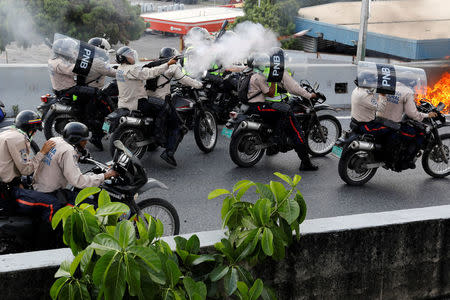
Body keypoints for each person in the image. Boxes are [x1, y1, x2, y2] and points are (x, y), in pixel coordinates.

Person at [246, 53, 318, 171]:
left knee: (275, 124)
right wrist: (309, 95)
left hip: (264, 106)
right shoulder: (279, 72)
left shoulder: (259, 70)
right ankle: (306, 163)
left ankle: (272, 148)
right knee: (297, 133)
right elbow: (294, 88)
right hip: (278, 105)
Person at [32, 122, 117, 202]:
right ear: (76, 140)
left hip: (38, 185)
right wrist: (105, 175)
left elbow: (58, 156)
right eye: (84, 140)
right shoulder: (68, 151)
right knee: (90, 203)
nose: (86, 142)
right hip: (49, 193)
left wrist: (77, 157)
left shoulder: (55, 140)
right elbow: (79, 181)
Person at [147, 47, 203, 166]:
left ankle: (153, 143)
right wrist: (198, 84)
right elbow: (183, 79)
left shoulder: (152, 64)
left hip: (147, 99)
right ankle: (169, 153)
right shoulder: (172, 66)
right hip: (161, 101)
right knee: (180, 126)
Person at [0, 110, 56, 219]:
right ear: (30, 129)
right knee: (52, 203)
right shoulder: (19, 139)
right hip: (6, 190)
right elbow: (26, 170)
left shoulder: (7, 133)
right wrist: (42, 152)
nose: (34, 133)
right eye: (34, 130)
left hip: (6, 182)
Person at [376, 77, 437, 168]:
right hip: (392, 124)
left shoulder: (389, 85)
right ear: (411, 83)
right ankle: (407, 161)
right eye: (415, 85)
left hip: (378, 119)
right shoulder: (407, 92)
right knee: (420, 132)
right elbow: (412, 114)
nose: (416, 87)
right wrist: (427, 115)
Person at [82, 37, 117, 151]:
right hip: (94, 92)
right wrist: (127, 73)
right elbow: (112, 73)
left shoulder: (87, 57)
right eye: (105, 50)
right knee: (110, 112)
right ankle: (98, 136)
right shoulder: (98, 62)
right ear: (100, 49)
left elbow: (106, 68)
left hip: (85, 89)